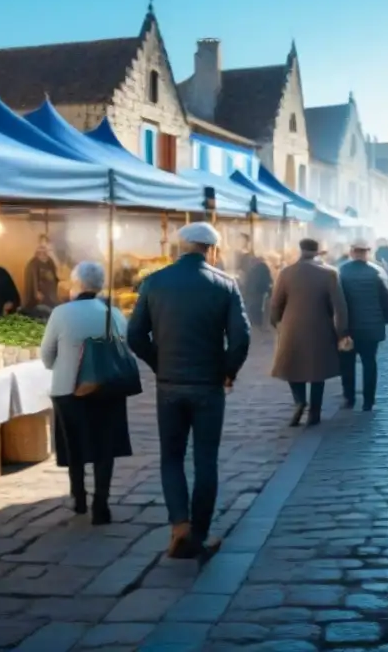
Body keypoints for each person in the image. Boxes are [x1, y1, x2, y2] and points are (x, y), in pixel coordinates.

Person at [128, 222, 251, 559]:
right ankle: (200, 532)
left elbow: (135, 336)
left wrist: (159, 363)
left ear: (180, 248)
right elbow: (241, 338)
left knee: (171, 457)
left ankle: (179, 524)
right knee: (205, 459)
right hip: (208, 385)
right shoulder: (225, 285)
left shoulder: (154, 282)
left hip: (169, 385)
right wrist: (228, 371)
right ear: (211, 250)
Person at [40, 261, 134, 525]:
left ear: (77, 284)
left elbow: (47, 355)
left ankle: (78, 497)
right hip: (108, 388)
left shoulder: (61, 313)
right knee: (105, 446)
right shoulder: (113, 313)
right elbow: (126, 348)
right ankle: (101, 503)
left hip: (68, 389)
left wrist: (63, 365)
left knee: (74, 444)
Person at [269, 238, 348, 426]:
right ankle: (314, 412)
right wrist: (342, 332)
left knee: (292, 367)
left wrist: (276, 323)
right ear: (318, 251)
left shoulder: (286, 273)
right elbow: (340, 307)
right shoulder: (330, 273)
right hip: (320, 327)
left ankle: (299, 400)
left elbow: (275, 304)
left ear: (300, 250)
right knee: (316, 371)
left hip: (292, 327)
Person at [338, 239, 388, 411]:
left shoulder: (342, 272)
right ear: (366, 253)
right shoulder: (377, 272)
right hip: (371, 327)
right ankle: (368, 401)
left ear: (352, 252)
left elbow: (336, 301)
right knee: (369, 362)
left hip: (348, 328)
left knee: (347, 364)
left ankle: (349, 398)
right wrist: (387, 319)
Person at [23, 236, 60, 315]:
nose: (44, 248)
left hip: (51, 297)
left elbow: (55, 277)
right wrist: (37, 292)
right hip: (38, 301)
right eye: (42, 246)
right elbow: (33, 281)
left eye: (46, 245)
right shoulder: (33, 264)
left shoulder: (50, 261)